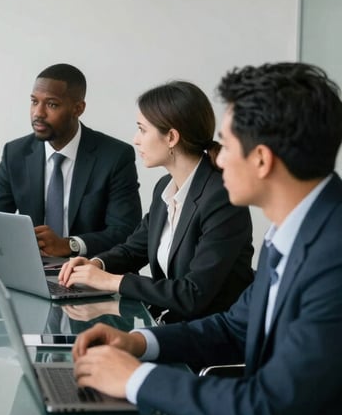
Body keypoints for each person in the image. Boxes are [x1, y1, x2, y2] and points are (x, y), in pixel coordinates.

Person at [70, 63, 342, 415]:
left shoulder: (333, 255)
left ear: (261, 160)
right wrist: (137, 342)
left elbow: (264, 409)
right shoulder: (293, 232)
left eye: (225, 145)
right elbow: (232, 328)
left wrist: (138, 380)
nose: (215, 159)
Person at [59, 80, 254, 323]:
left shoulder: (222, 198)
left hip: (211, 335)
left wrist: (111, 281)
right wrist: (97, 263)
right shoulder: (165, 187)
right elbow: (133, 250)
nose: (135, 139)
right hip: (170, 324)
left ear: (171, 137)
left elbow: (193, 293)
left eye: (142, 129)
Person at [0, 62, 142, 258]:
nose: (38, 113)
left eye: (52, 104)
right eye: (34, 101)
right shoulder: (15, 153)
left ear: (78, 109)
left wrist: (70, 245)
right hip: (33, 270)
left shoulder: (115, 156)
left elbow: (125, 231)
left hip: (92, 271)